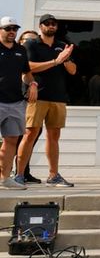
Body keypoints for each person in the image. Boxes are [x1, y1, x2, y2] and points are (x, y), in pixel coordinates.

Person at [13, 14, 76, 188]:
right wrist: (56, 61)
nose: (51, 26)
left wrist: (66, 59)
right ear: (40, 26)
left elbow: (72, 71)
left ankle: (53, 175)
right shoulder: (31, 44)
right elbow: (29, 66)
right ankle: (19, 175)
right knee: (30, 133)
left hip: (58, 97)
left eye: (53, 24)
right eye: (47, 23)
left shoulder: (62, 46)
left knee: (54, 136)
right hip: (37, 95)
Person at [0, 18, 37, 190]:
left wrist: (33, 84)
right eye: (8, 28)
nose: (12, 31)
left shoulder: (21, 50)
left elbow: (27, 73)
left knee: (12, 140)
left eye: (14, 28)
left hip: (15, 102)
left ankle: (5, 179)